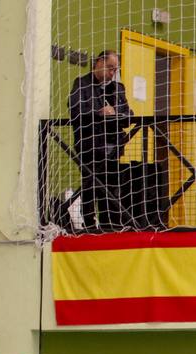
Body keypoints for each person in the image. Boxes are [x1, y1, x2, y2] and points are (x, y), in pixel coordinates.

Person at [68, 50, 132, 230]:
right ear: (98, 63)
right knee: (91, 185)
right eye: (110, 68)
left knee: (111, 185)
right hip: (90, 145)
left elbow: (129, 115)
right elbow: (75, 110)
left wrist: (115, 113)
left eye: (115, 70)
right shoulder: (81, 84)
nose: (112, 73)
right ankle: (89, 224)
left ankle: (110, 223)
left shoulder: (118, 88)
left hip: (113, 145)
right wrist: (99, 113)